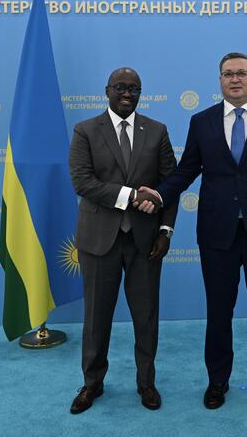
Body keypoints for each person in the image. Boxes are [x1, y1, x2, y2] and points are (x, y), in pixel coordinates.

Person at [138, 53, 247, 410]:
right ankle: (217, 381)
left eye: (242, 73)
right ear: (220, 80)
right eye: (228, 74)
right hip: (217, 234)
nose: (235, 79)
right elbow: (186, 170)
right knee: (218, 312)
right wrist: (159, 193)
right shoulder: (202, 121)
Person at [68, 67, 177, 414]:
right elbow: (83, 182)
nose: (127, 94)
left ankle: (146, 383)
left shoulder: (157, 131)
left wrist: (165, 230)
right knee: (96, 318)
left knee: (146, 318)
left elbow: (170, 186)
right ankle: (92, 384)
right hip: (99, 241)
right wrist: (131, 196)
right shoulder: (85, 130)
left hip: (146, 242)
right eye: (120, 87)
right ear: (107, 90)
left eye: (134, 88)